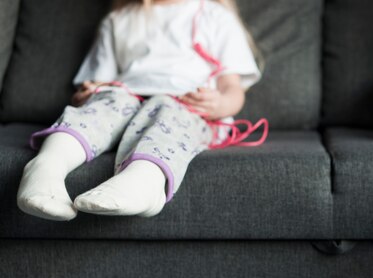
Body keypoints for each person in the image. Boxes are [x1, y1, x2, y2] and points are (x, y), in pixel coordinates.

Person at [17, 0, 262, 220]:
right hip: (127, 97)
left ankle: (145, 181)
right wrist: (89, 92)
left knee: (170, 113)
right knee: (108, 103)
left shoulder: (213, 15)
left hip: (185, 103)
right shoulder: (119, 21)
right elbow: (96, 82)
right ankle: (47, 167)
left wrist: (220, 104)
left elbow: (232, 87)